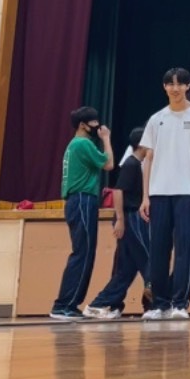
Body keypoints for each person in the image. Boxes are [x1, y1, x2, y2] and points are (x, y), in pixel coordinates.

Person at [136, 67, 190, 321]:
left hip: (188, 193)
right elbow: (148, 158)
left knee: (186, 249)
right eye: (170, 84)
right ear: (164, 87)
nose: (175, 88)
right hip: (159, 193)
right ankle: (159, 304)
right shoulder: (156, 119)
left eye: (180, 84)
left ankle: (180, 303)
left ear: (187, 86)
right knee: (158, 250)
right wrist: (145, 196)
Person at [50, 106, 114, 320]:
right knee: (83, 253)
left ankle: (69, 304)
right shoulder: (83, 144)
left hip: (76, 201)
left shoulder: (74, 144)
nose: (98, 126)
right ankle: (64, 305)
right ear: (82, 125)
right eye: (94, 122)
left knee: (83, 252)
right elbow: (109, 164)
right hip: (83, 200)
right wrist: (106, 139)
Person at [85, 127, 150, 319]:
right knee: (147, 258)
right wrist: (120, 219)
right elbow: (118, 191)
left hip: (132, 217)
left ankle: (102, 303)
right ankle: (158, 301)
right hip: (130, 217)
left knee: (126, 269)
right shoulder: (131, 164)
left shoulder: (139, 164)